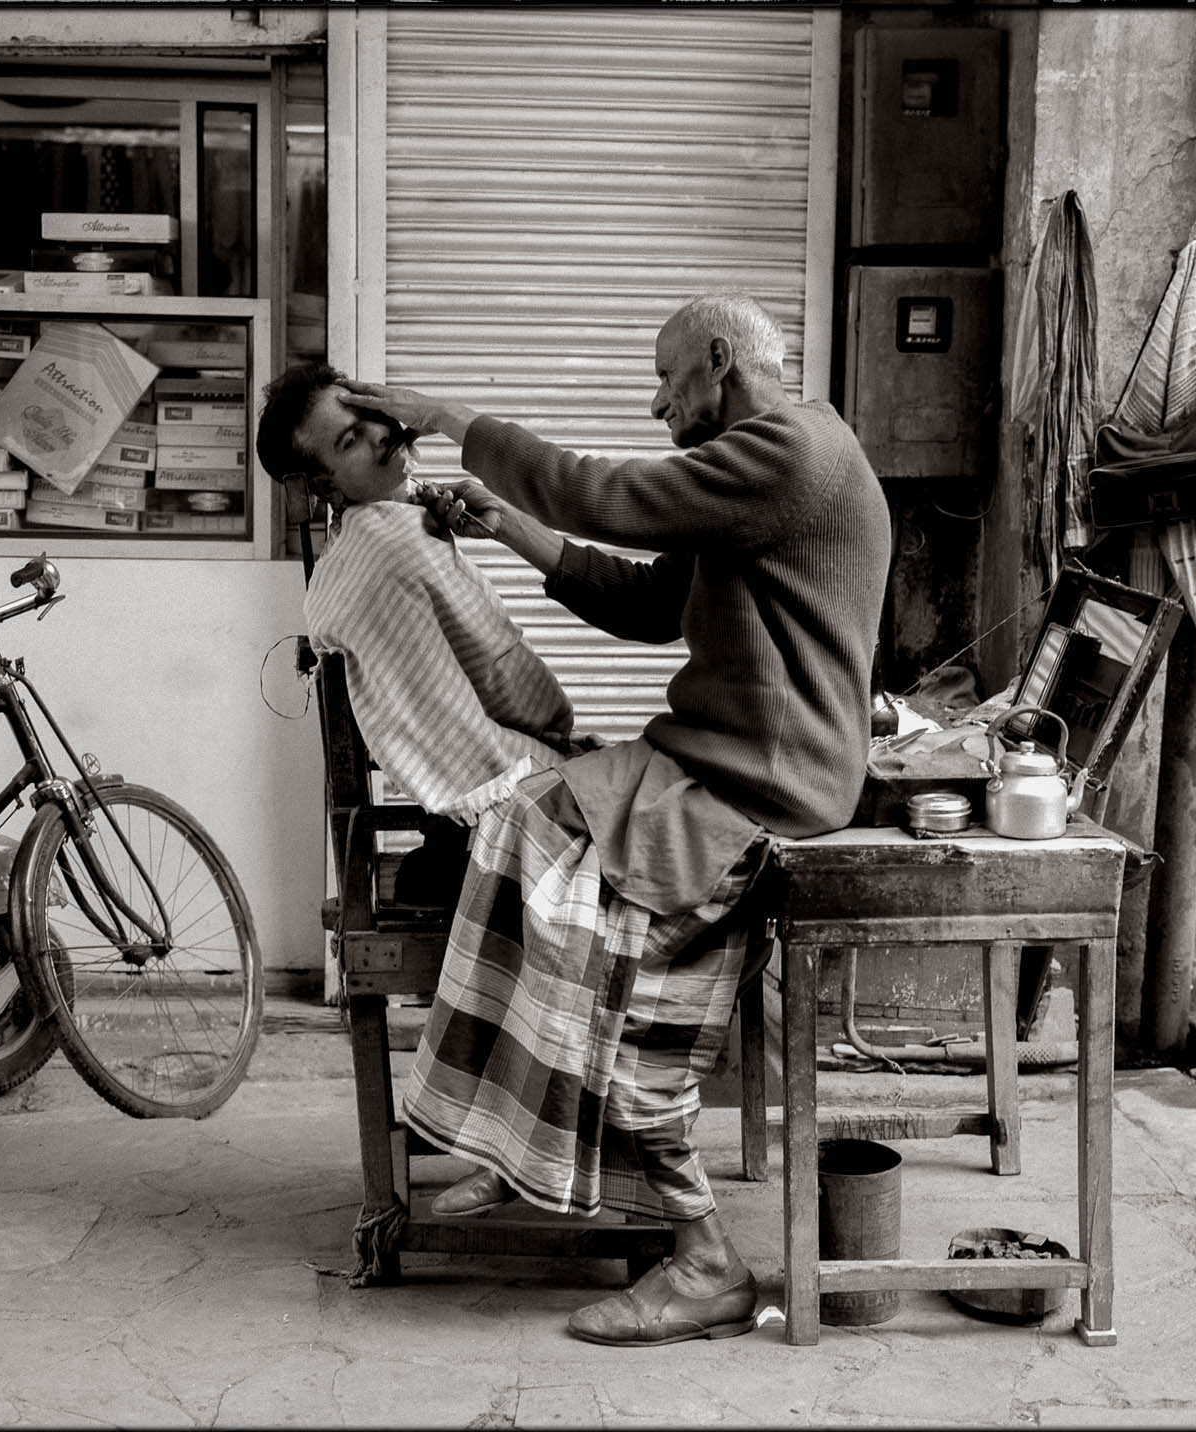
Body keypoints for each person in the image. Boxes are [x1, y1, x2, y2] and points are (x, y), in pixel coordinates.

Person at [342, 292, 891, 1346]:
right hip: (712, 757)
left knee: (601, 963)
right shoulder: (756, 472)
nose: (654, 402)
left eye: (666, 380)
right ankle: (521, 1145)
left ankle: (702, 1260)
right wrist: (511, 529)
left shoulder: (788, 451)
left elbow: (610, 493)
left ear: (720, 362)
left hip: (758, 784)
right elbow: (648, 604)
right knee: (513, 833)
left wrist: (454, 416)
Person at [257, 363, 580, 899]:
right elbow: (487, 707)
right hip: (488, 822)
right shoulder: (388, 549)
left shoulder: (391, 526)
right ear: (324, 487)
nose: (382, 433)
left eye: (369, 414)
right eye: (351, 439)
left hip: (476, 814)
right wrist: (564, 753)